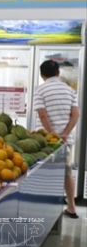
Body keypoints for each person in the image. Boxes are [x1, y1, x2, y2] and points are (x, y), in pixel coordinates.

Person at [33, 60, 80, 219]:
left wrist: (52, 134)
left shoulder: (40, 90)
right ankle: (71, 207)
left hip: (46, 142)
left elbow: (42, 115)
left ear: (42, 75)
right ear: (58, 73)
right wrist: (64, 133)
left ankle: (45, 210)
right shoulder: (70, 91)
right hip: (66, 141)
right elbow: (76, 115)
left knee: (44, 173)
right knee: (67, 173)